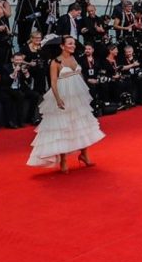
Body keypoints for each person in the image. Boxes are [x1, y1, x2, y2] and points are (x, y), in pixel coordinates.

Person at [27, 36, 105, 173]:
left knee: (81, 123)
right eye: (70, 44)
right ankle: (63, 160)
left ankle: (84, 154)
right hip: (63, 94)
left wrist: (84, 91)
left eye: (73, 43)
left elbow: (80, 75)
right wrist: (57, 99)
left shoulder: (75, 58)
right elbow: (53, 82)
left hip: (77, 94)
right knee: (63, 126)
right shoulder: (55, 62)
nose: (73, 46)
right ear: (62, 46)